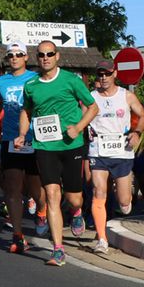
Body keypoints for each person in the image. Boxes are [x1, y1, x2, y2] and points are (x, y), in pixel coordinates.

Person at [18, 40, 97, 266]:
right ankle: (58, 249)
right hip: (45, 147)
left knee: (73, 197)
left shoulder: (71, 80)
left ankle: (77, 210)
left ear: (57, 56)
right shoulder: (31, 85)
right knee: (52, 194)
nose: (45, 58)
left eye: (49, 54)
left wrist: (79, 127)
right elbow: (27, 110)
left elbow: (93, 107)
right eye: (41, 55)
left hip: (71, 145)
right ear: (37, 57)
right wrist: (23, 133)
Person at [87, 58, 144, 254]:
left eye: (107, 74)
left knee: (123, 201)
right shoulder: (90, 97)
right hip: (98, 150)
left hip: (122, 151)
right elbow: (81, 118)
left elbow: (143, 115)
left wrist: (136, 132)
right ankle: (102, 239)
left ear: (115, 74)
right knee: (99, 192)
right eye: (100, 74)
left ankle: (126, 200)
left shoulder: (126, 96)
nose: (103, 78)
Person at [0, 43, 40, 254]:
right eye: (10, 55)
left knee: (35, 187)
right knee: (12, 188)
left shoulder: (35, 78)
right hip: (11, 140)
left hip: (35, 138)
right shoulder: (2, 80)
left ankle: (43, 210)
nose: (14, 57)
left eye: (19, 54)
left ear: (26, 57)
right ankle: (18, 235)